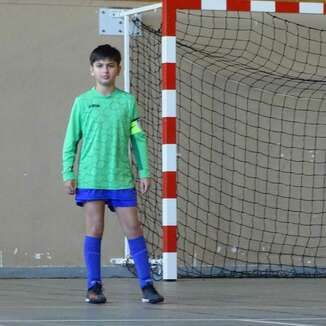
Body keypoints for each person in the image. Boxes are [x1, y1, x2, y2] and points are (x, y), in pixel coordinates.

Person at [62, 44, 164, 304]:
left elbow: (137, 138)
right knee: (94, 229)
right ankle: (94, 286)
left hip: (120, 178)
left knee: (134, 228)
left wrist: (144, 171)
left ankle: (147, 285)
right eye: (99, 66)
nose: (105, 70)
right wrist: (68, 173)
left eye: (110, 65)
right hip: (91, 177)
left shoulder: (127, 102)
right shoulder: (82, 102)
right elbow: (70, 140)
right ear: (91, 70)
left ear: (118, 69)